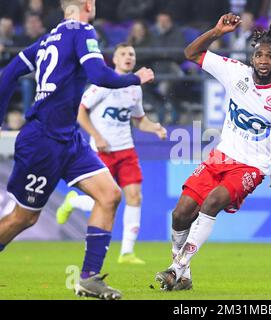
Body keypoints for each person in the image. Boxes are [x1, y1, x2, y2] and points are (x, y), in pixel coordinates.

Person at [0, 0, 154, 300]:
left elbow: (7, 75)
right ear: (87, 4)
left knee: (110, 195)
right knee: (23, 218)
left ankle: (89, 278)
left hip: (68, 137)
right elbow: (99, 74)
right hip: (43, 139)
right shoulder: (81, 30)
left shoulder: (47, 39)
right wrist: (136, 78)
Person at [155, 13, 271, 291]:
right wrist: (216, 31)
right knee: (180, 214)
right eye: (259, 55)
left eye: (269, 57)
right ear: (252, 57)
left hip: (251, 166)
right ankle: (183, 274)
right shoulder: (235, 72)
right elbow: (191, 53)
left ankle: (176, 269)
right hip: (221, 157)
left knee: (211, 203)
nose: (263, 61)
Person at [56, 43, 167, 265]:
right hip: (101, 152)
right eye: (123, 54)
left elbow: (138, 120)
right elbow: (80, 112)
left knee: (135, 196)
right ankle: (74, 202)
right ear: (114, 60)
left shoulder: (135, 88)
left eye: (132, 54)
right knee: (104, 200)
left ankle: (127, 252)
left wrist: (154, 127)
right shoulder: (103, 84)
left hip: (126, 150)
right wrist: (96, 136)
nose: (128, 57)